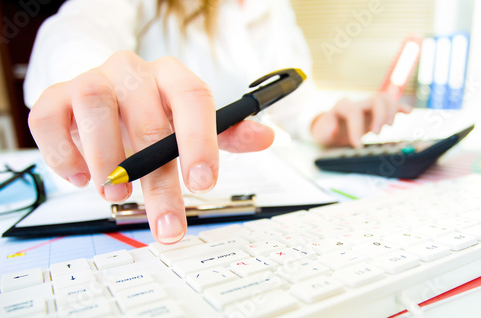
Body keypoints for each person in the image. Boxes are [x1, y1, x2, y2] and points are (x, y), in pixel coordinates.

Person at [24, 0, 411, 244]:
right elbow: (69, 32)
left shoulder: (273, 7)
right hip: (141, 196)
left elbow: (290, 99)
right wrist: (98, 84)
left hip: (246, 201)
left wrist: (322, 121)